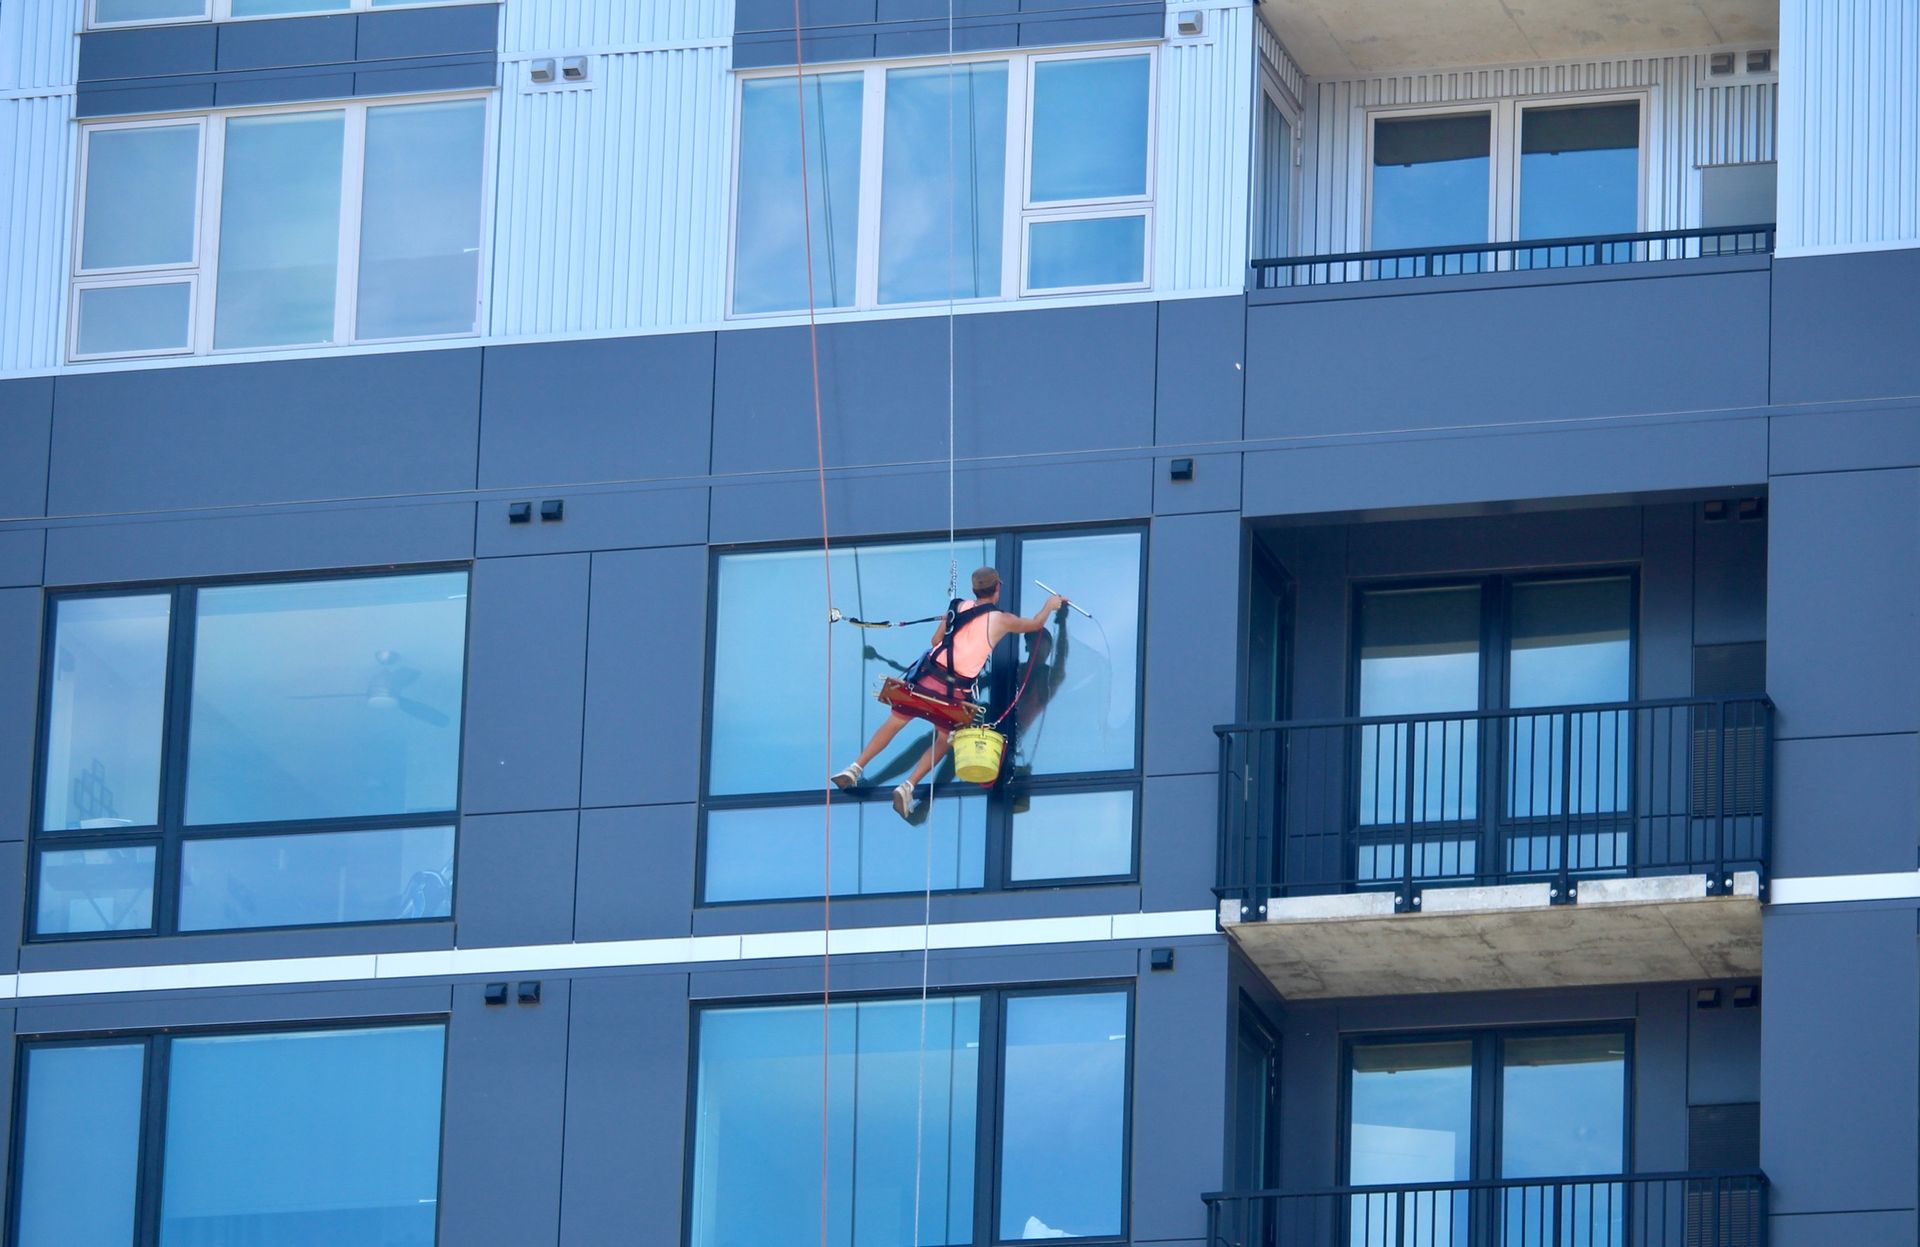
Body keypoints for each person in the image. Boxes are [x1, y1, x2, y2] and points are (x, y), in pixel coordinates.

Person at [831, 566, 1067, 819]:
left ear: (975, 589)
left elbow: (935, 642)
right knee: (945, 739)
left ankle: (854, 768)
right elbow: (1034, 624)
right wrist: (1050, 605)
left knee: (894, 722)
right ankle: (908, 786)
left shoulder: (956, 607)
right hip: (953, 692)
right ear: (997, 587)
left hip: (926, 678)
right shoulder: (1001, 619)